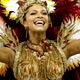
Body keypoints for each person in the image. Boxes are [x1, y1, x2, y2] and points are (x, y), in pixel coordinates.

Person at [0, 0, 80, 80]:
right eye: (33, 13)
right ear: (24, 22)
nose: (40, 16)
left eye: (44, 13)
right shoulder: (13, 55)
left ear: (48, 21)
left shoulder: (62, 50)